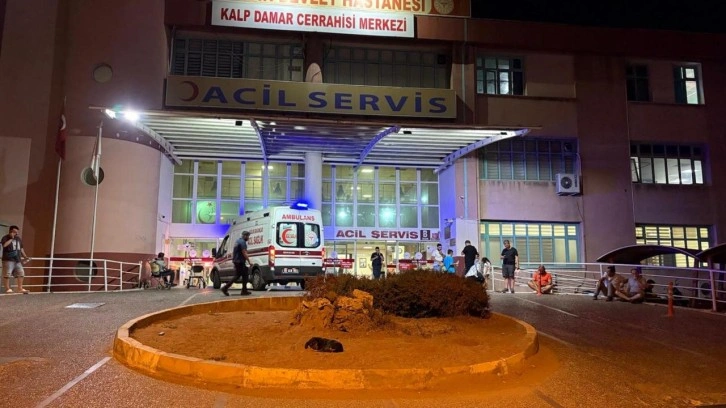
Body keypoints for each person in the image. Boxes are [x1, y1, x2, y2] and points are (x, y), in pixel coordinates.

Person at [221, 231, 252, 296]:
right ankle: (225, 288)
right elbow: (244, 252)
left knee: (245, 274)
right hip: (239, 262)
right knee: (237, 276)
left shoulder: (237, 241)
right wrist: (249, 261)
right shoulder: (243, 242)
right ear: (244, 236)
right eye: (248, 236)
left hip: (237, 261)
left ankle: (244, 290)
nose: (248, 238)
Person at [2, 225, 31, 294]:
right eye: (15, 232)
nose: (16, 233)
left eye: (17, 232)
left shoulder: (18, 239)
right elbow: (4, 245)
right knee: (7, 274)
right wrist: (11, 239)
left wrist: (25, 256)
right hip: (8, 259)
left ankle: (20, 288)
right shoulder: (5, 237)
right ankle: (7, 289)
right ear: (11, 231)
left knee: (21, 273)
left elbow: (21, 248)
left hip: (17, 260)